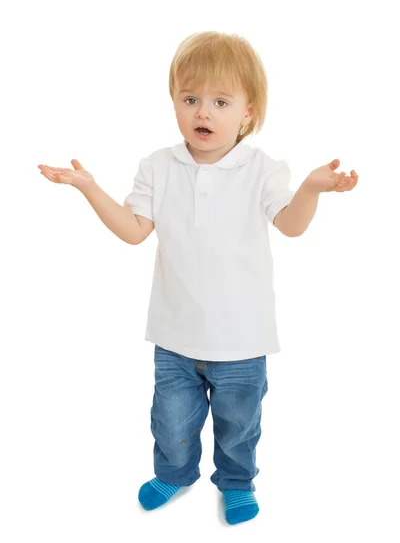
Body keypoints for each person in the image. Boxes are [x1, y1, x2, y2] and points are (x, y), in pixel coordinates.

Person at [38, 31, 358, 525]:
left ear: (247, 113)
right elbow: (134, 231)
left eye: (220, 101)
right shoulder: (158, 166)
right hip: (175, 337)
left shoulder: (262, 170)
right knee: (170, 423)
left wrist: (313, 189)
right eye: (190, 99)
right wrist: (89, 188)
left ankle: (235, 481)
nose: (202, 113)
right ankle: (174, 472)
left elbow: (292, 226)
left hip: (242, 341)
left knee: (239, 426)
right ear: (174, 103)